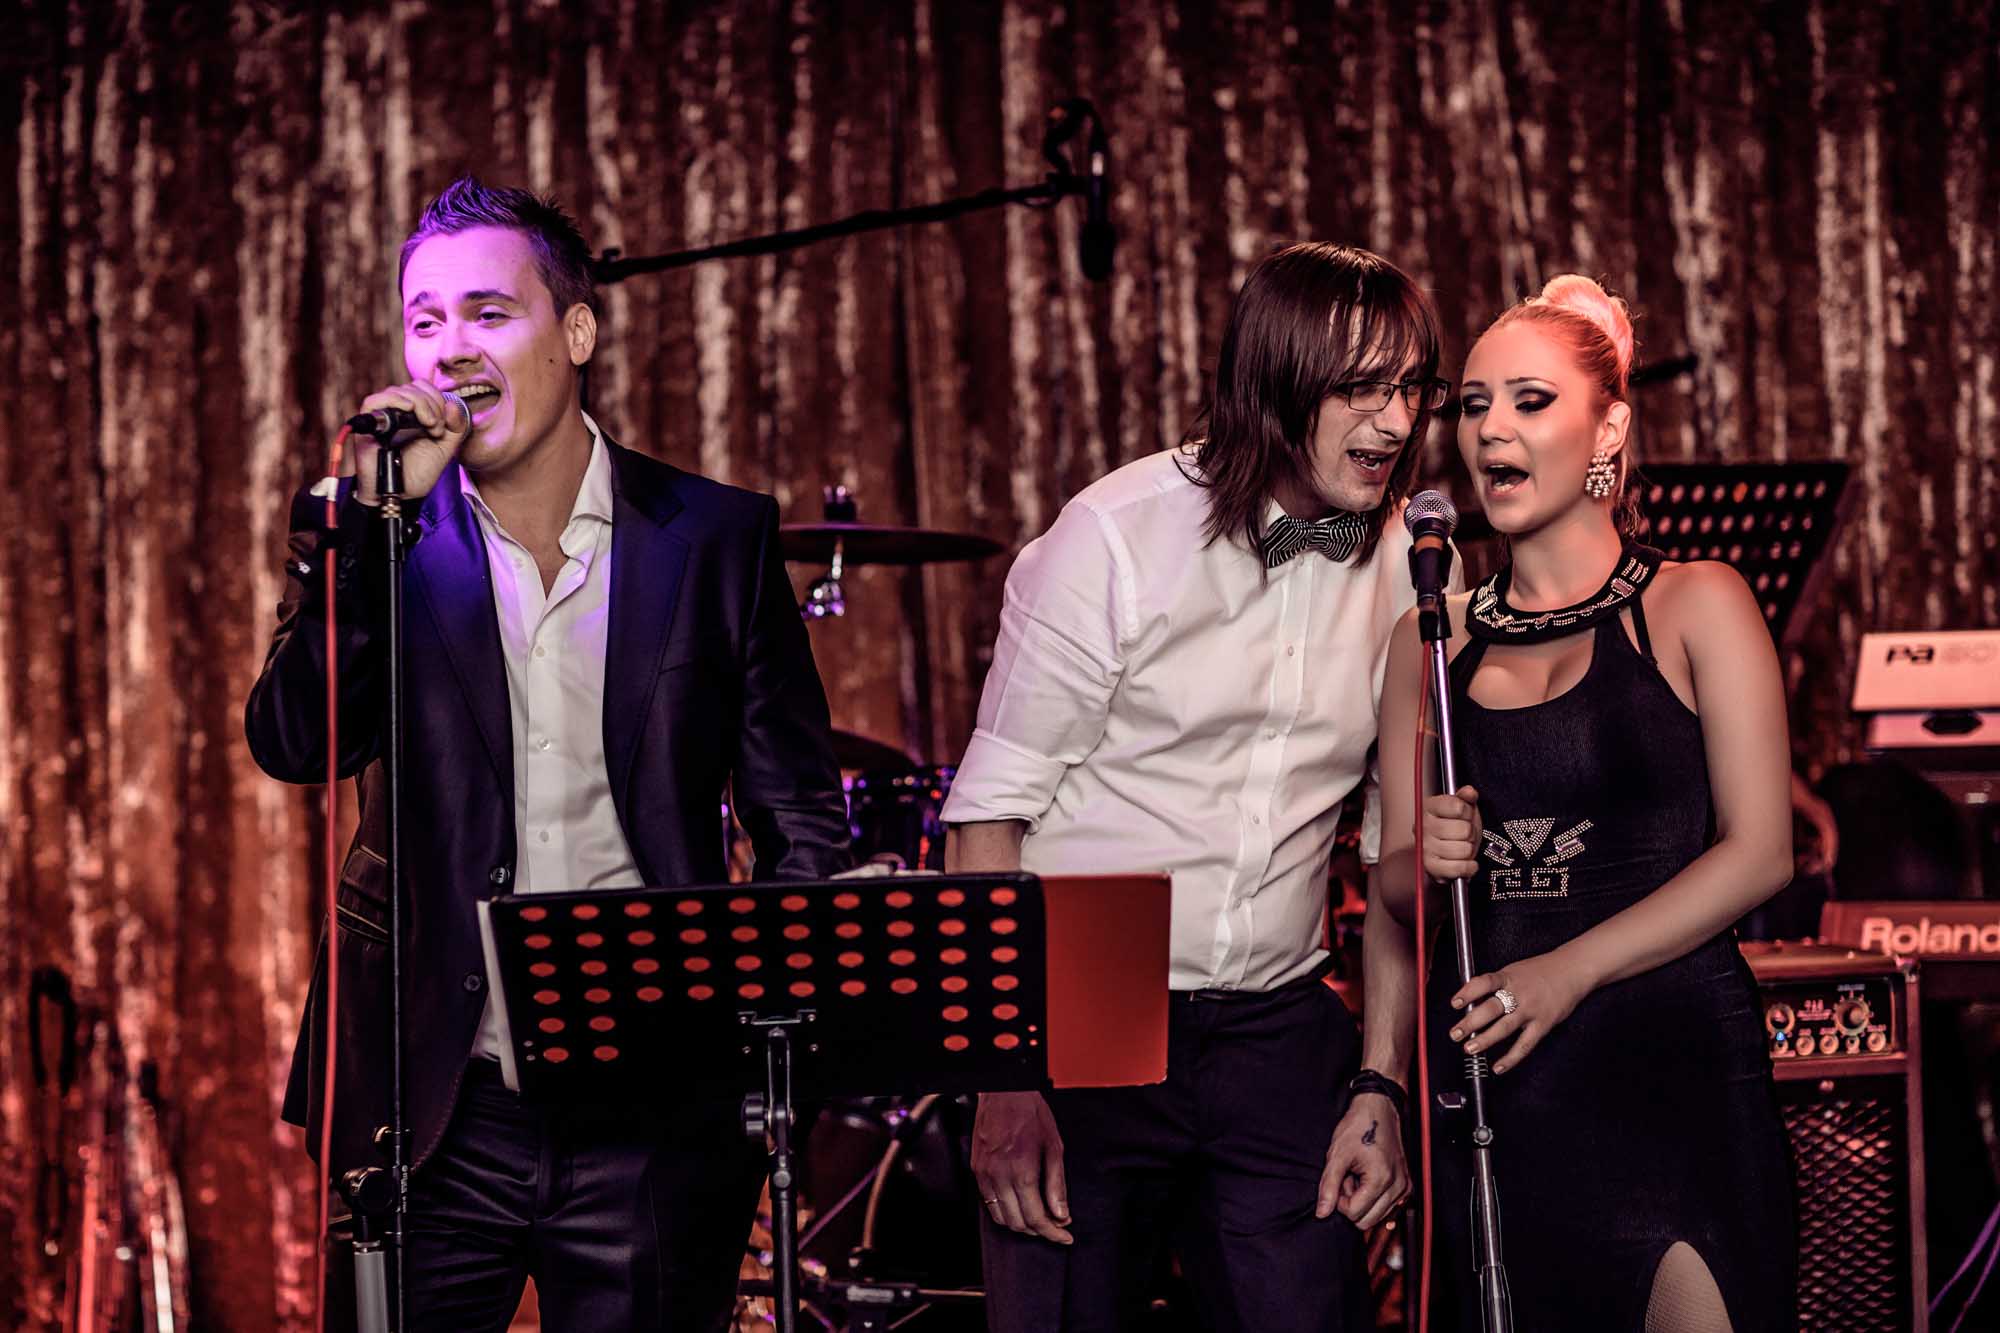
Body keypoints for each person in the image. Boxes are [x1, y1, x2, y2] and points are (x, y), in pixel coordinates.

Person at [244, 177, 851, 1331]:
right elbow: (292, 742)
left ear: (574, 332)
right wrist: (365, 542)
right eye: (424, 320)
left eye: (488, 312)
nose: (449, 347)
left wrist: (760, 1051)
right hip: (432, 1100)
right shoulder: (374, 532)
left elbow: (801, 821)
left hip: (654, 1097)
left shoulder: (714, 538)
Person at [941, 241, 1455, 1332]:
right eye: (1361, 389)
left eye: (1412, 387)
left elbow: (1392, 857)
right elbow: (987, 820)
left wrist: (1380, 1081)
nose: (1396, 422)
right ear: (1272, 381)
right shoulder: (1113, 538)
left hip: (1279, 1017)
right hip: (1083, 1002)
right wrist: (1003, 1077)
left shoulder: (1412, 561)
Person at [1377, 275, 1796, 1331]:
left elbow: (1759, 852)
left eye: (1529, 401)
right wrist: (1423, 858)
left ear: (1608, 427)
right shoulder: (1429, 637)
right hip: (1506, 1099)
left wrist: (1566, 971)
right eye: (1472, 405)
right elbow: (1395, 891)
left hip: (1670, 1075)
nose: (1490, 430)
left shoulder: (1695, 602)